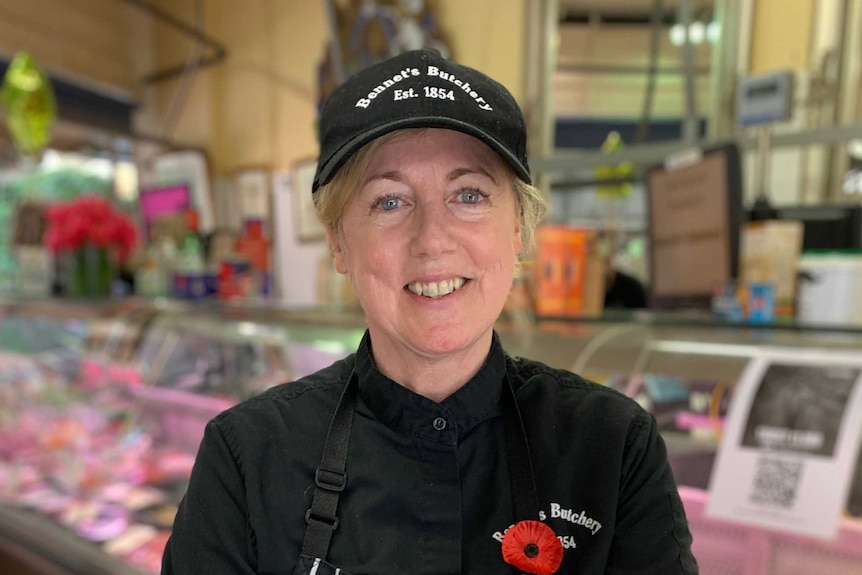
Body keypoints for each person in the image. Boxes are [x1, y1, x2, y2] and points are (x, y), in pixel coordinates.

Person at [162, 49, 697, 575]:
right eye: (389, 202)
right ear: (339, 243)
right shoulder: (246, 456)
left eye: (469, 194)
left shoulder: (614, 447)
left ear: (518, 229)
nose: (433, 240)